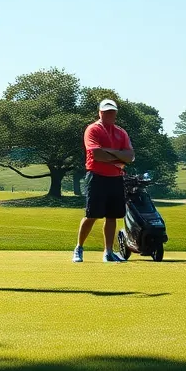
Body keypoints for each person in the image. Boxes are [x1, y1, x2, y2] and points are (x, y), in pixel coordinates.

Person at [73, 100, 134, 263]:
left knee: (112, 216)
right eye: (106, 112)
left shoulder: (121, 132)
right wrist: (118, 156)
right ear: (100, 112)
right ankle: (79, 247)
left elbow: (130, 156)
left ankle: (108, 252)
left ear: (115, 113)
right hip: (97, 176)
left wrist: (109, 152)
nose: (109, 114)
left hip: (115, 178)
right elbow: (97, 155)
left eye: (112, 112)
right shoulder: (93, 129)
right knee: (91, 215)